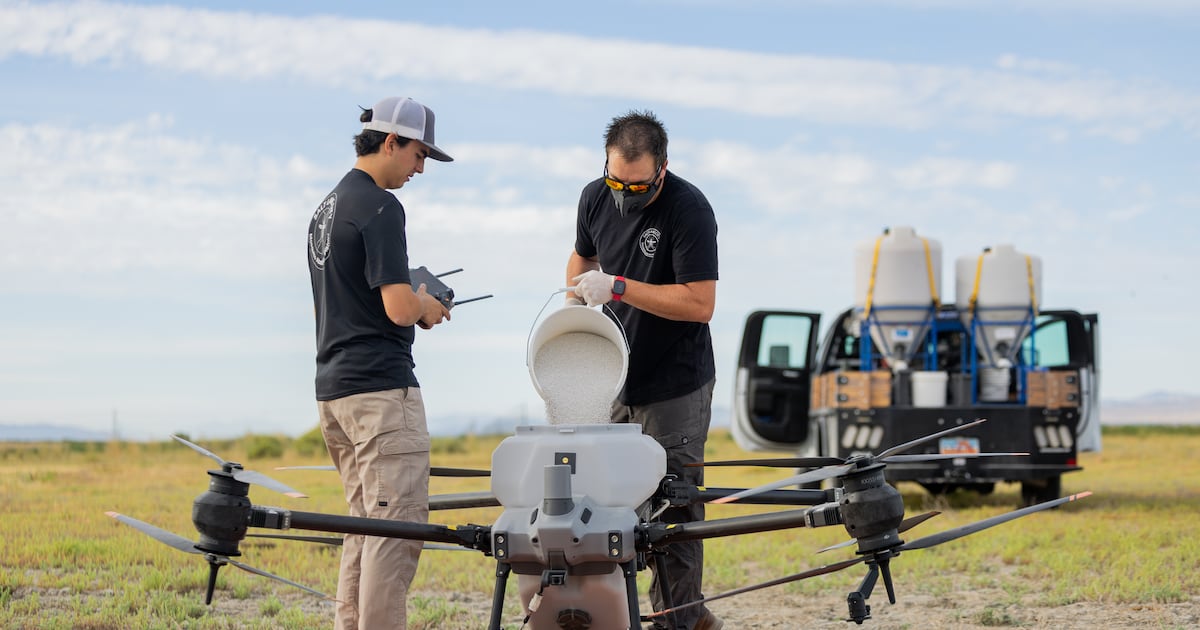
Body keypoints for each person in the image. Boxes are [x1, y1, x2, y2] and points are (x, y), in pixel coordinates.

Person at [566, 110, 722, 630]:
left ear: (662, 168)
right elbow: (580, 260)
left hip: (675, 381)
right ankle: (624, 615)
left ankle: (680, 619)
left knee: (673, 507)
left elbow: (700, 303)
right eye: (616, 182)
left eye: (637, 186)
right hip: (613, 377)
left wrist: (617, 287)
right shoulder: (594, 197)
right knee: (610, 502)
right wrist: (575, 302)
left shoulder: (688, 209)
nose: (625, 195)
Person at [306, 95, 453, 630]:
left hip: (335, 393)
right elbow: (398, 308)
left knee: (365, 525)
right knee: (396, 531)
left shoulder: (326, 208)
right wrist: (427, 306)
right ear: (391, 141)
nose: (420, 169)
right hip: (381, 396)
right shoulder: (382, 207)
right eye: (419, 154)